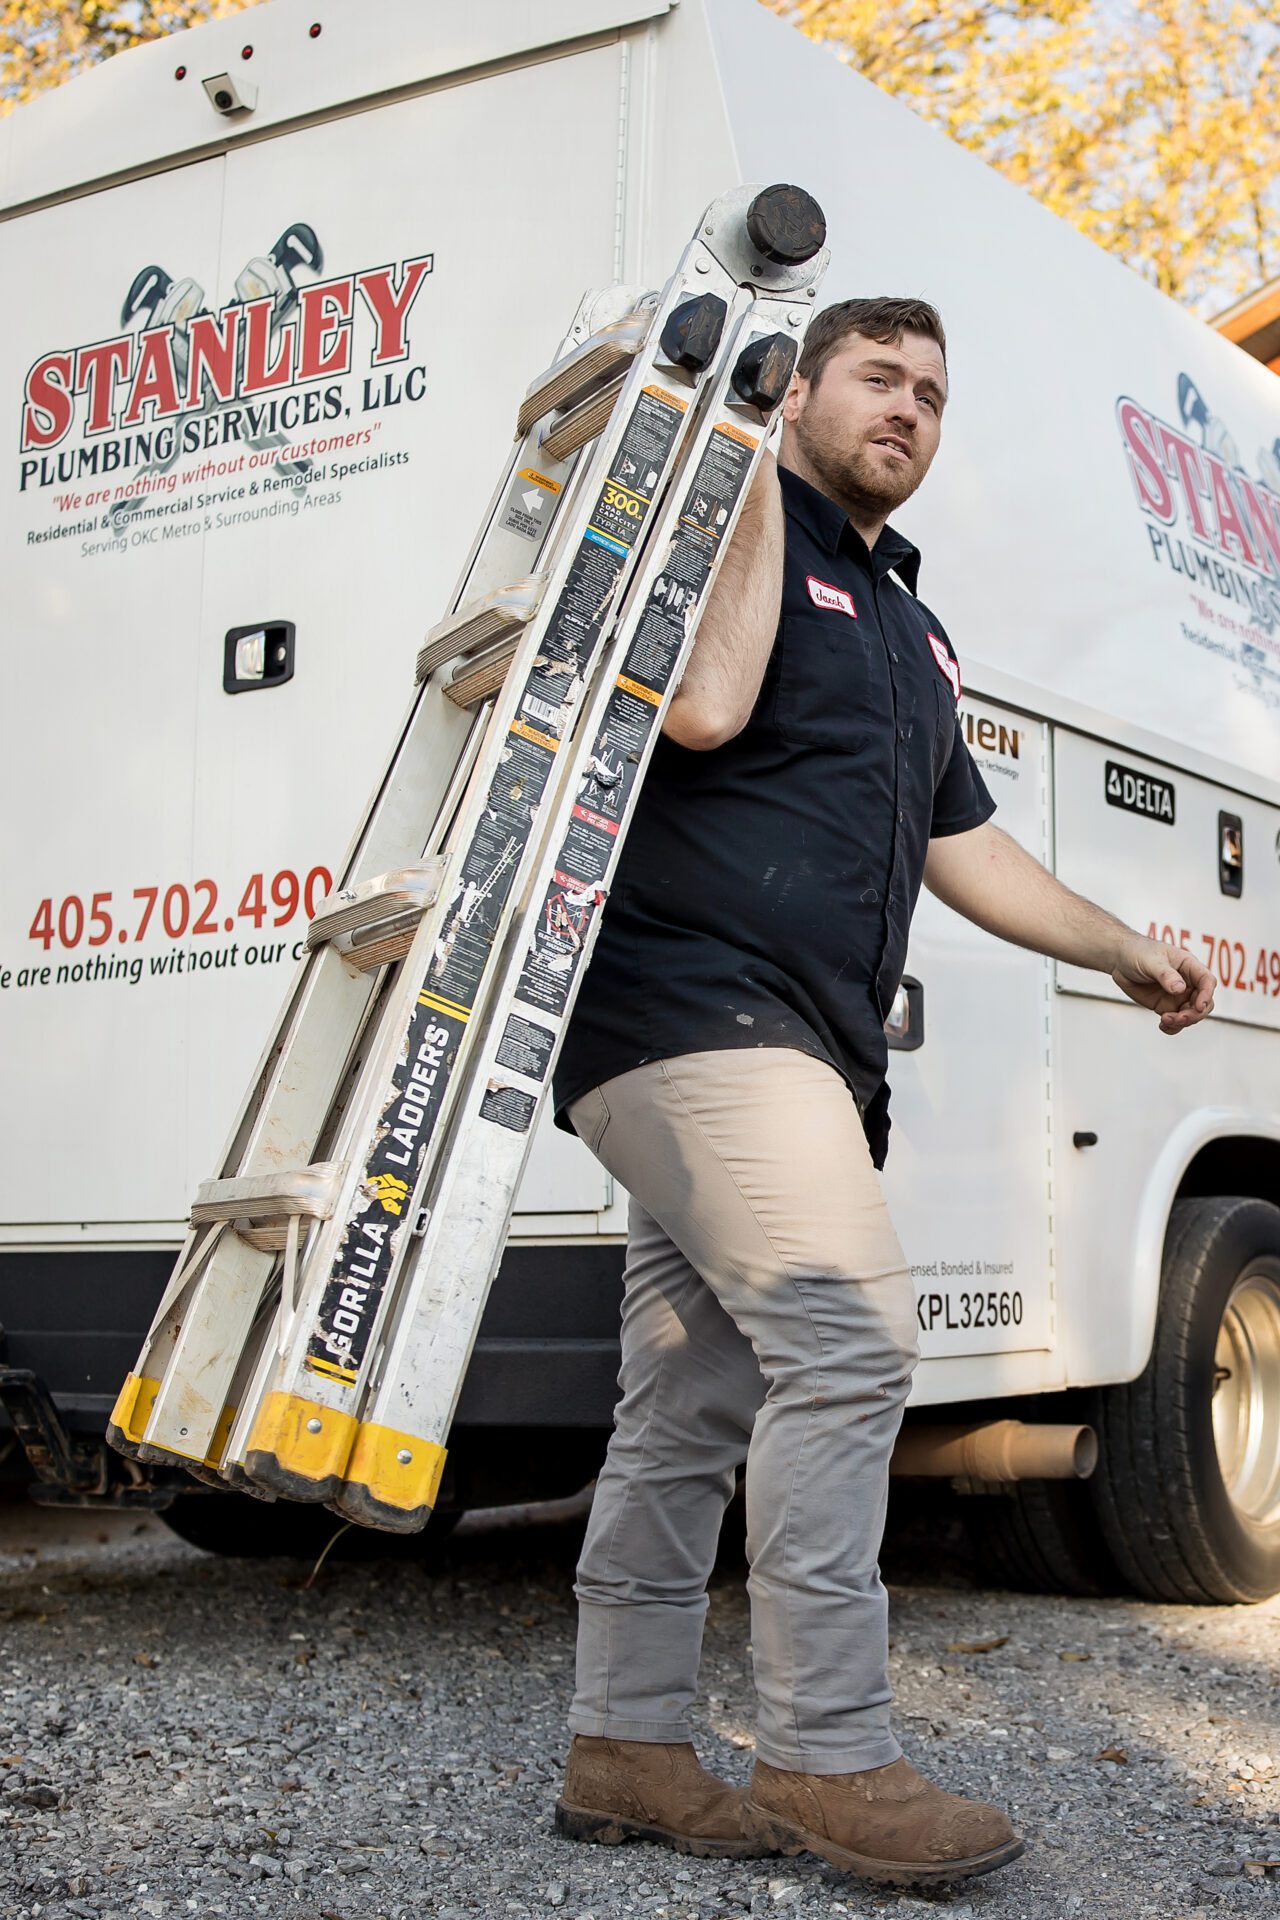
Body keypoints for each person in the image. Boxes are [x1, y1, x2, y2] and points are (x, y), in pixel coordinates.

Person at [548, 297, 1216, 1885]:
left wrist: (1127, 949)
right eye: (875, 377)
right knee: (849, 1346)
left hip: (811, 1050)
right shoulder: (731, 514)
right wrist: (743, 455)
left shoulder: (914, 626)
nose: (908, 407)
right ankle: (827, 1754)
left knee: (693, 1397)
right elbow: (701, 709)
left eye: (931, 389)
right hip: (689, 1013)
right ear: (801, 392)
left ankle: (625, 1744)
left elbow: (962, 849)